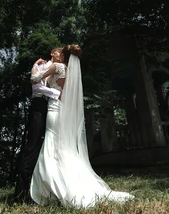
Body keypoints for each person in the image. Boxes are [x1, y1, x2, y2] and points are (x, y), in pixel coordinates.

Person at [29, 44, 135, 208]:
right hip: (61, 108)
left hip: (54, 108)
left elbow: (35, 80)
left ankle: (54, 188)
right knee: (60, 146)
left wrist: (35, 65)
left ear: (63, 56)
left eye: (60, 52)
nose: (57, 54)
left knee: (51, 143)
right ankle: (58, 185)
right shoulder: (68, 70)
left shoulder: (56, 66)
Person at [12, 47, 64, 205]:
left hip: (51, 108)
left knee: (46, 148)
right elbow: (36, 87)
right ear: (52, 53)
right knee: (32, 146)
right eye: (59, 51)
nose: (61, 54)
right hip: (39, 106)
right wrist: (56, 94)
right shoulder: (41, 66)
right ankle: (20, 195)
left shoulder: (58, 69)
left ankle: (42, 190)